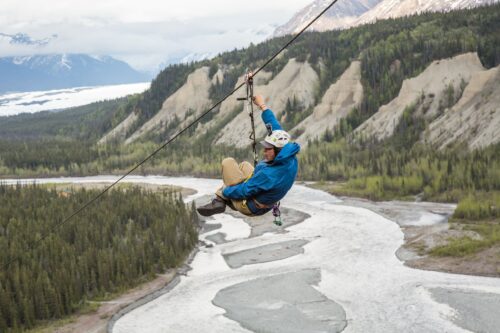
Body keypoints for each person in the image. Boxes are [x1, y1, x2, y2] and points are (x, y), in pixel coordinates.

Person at [197, 95, 300, 217]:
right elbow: (273, 124)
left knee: (228, 162)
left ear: (277, 150)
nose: (264, 152)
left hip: (251, 207)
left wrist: (225, 191)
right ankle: (222, 199)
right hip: (265, 199)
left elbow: (244, 190)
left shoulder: (269, 175)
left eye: (268, 149)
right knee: (244, 165)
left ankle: (220, 200)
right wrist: (262, 105)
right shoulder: (288, 153)